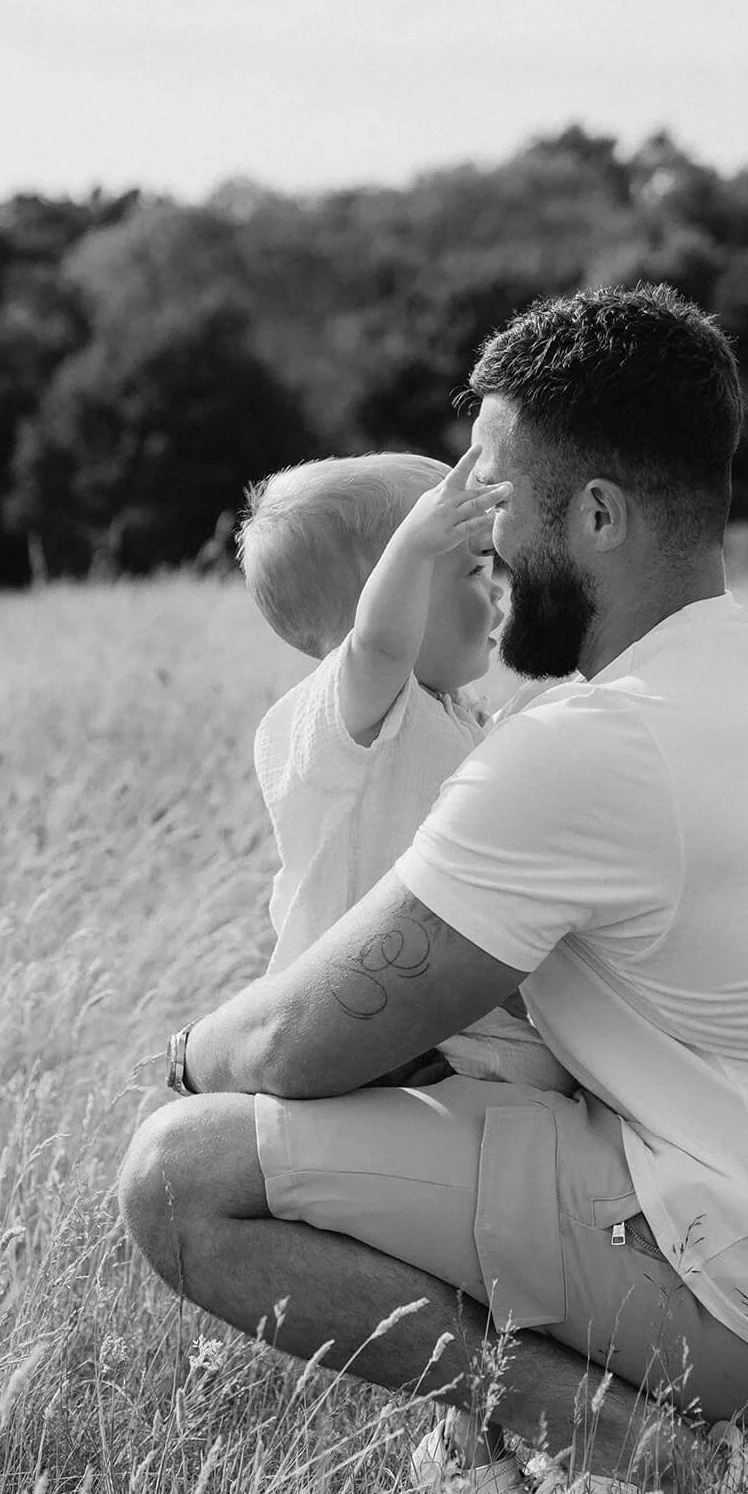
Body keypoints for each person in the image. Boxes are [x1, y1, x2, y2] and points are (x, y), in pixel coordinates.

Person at [119, 284, 748, 1494]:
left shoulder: (591, 750)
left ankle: (665, 1458)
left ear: (598, 515)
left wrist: (186, 1057)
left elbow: (304, 1047)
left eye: (497, 504)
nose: (488, 552)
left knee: (179, 1176)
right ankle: (564, 1454)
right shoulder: (717, 684)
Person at [236, 446, 574, 1091]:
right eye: (474, 568)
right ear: (393, 594)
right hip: (360, 1022)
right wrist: (416, 546)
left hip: (439, 1013)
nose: (499, 588)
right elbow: (380, 642)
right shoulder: (348, 715)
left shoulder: (450, 711)